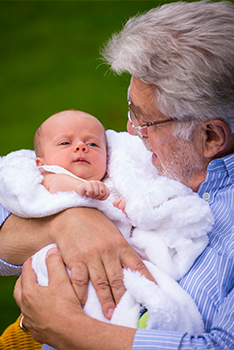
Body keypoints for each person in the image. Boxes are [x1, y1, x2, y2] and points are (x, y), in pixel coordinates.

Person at [1, 0, 234, 348]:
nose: (129, 128)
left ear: (211, 137)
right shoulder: (140, 156)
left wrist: (66, 329)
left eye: (145, 119)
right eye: (130, 108)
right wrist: (65, 222)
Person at [0, 107, 212, 338]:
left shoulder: (114, 181)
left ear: (107, 158)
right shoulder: (49, 175)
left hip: (119, 255)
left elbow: (131, 213)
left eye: (92, 144)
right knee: (91, 291)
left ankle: (144, 318)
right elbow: (55, 184)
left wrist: (126, 208)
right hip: (69, 259)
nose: (80, 147)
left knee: (137, 282)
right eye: (65, 143)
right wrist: (80, 188)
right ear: (41, 161)